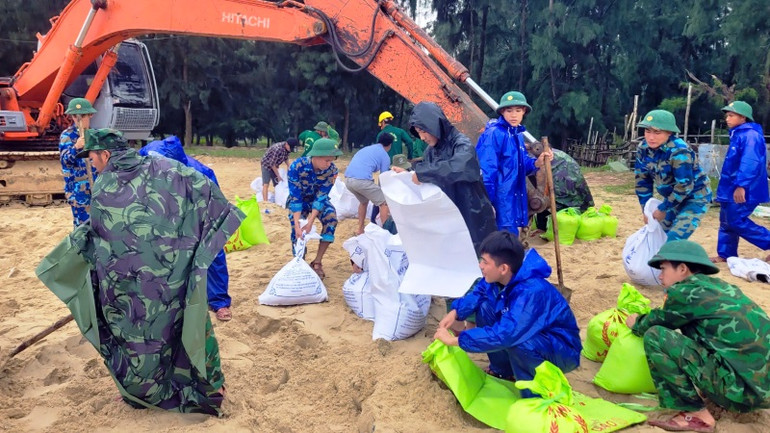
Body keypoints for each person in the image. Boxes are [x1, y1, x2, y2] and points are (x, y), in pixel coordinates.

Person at [41, 128, 243, 415]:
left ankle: (147, 391)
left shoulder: (104, 186)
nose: (92, 164)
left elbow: (104, 238)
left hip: (133, 284)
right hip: (175, 270)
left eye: (93, 158)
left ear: (106, 154)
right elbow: (207, 192)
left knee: (140, 336)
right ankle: (213, 387)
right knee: (190, 323)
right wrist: (192, 246)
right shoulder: (164, 166)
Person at [626, 240, 770, 432]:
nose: (660, 276)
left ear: (683, 269)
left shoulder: (684, 292)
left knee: (656, 336)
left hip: (744, 394)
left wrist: (635, 322)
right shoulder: (721, 287)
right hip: (761, 388)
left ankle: (693, 413)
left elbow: (655, 323)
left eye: (663, 269)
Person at [434, 231, 581, 387]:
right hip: (534, 334)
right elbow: (479, 293)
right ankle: (503, 371)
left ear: (503, 268)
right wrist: (455, 312)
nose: (480, 266)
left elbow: (506, 334)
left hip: (561, 348)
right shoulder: (501, 276)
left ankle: (534, 389)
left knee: (520, 343)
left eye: (485, 262)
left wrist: (454, 340)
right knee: (485, 308)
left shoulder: (531, 292)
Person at [138, 136, 235, 321]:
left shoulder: (201, 175)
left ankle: (219, 301)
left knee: (212, 249)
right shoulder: (147, 158)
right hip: (164, 209)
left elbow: (214, 208)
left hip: (200, 209)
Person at [397, 101, 496, 253]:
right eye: (418, 132)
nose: (421, 137)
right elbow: (428, 177)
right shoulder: (431, 151)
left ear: (433, 125)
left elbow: (459, 167)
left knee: (476, 259)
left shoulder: (461, 144)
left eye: (423, 131)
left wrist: (422, 173)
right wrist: (409, 174)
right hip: (447, 216)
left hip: (472, 212)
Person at [475, 91, 552, 234]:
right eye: (509, 110)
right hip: (500, 200)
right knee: (503, 243)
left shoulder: (516, 134)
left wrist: (538, 162)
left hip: (514, 198)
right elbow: (486, 172)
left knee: (511, 241)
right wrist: (487, 204)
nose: (514, 115)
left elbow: (522, 164)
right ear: (502, 112)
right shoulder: (494, 134)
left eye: (518, 110)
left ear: (524, 111)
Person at [635, 109, 712, 241]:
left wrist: (663, 208)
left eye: (657, 132)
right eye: (647, 131)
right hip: (672, 199)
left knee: (673, 241)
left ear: (669, 132)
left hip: (695, 198)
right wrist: (646, 210)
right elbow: (642, 182)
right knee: (658, 236)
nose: (651, 137)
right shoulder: (643, 149)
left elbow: (684, 186)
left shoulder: (679, 151)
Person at [711, 101, 770, 263]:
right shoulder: (738, 134)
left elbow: (750, 162)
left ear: (743, 117)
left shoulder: (750, 136)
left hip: (745, 188)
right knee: (726, 221)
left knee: (736, 221)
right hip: (730, 187)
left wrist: (741, 185)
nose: (727, 119)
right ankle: (726, 254)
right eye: (727, 115)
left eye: (731, 115)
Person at [287, 138, 342, 279]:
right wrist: (299, 224)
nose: (329, 163)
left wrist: (311, 221)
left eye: (331, 160)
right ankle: (300, 263)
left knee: (331, 219)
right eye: (326, 160)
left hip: (317, 201)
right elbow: (295, 197)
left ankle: (317, 262)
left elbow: (321, 197)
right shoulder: (297, 167)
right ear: (316, 157)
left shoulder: (332, 170)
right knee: (297, 230)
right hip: (300, 201)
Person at [533, 147, 595, 231]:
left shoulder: (550, 158)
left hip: (558, 195)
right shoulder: (560, 157)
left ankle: (544, 226)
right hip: (570, 196)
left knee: (545, 201)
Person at [59, 97, 98, 227]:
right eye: (75, 117)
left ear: (90, 115)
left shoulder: (95, 135)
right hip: (78, 190)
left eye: (82, 116)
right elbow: (65, 162)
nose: (79, 120)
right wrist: (76, 147)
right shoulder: (67, 136)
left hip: (97, 188)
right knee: (83, 227)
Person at [344, 133, 393, 235]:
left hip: (348, 180)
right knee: (384, 202)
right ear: (390, 145)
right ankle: (386, 233)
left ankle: (360, 230)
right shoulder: (385, 155)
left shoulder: (367, 149)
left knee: (364, 202)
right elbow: (383, 178)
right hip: (361, 181)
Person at [260, 138, 298, 202]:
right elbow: (272, 164)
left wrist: (289, 166)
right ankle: (265, 201)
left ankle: (278, 198)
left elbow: (286, 158)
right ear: (287, 144)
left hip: (275, 165)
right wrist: (278, 176)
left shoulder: (287, 149)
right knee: (266, 184)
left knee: (277, 184)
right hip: (266, 165)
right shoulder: (277, 149)